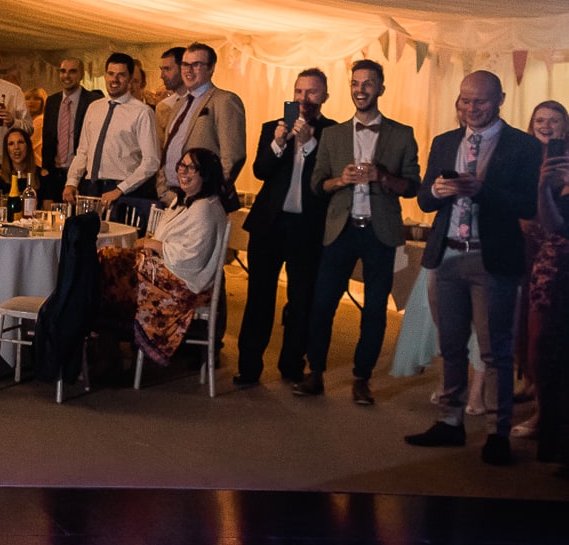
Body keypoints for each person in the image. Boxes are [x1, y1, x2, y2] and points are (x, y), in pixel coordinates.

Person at [404, 71, 544, 465]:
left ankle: (498, 432)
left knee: (494, 350)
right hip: (447, 254)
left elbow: (528, 205)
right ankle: (450, 420)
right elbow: (424, 200)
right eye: (464, 100)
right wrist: (436, 191)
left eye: (479, 101)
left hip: (492, 258)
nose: (470, 108)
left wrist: (483, 190)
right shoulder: (445, 141)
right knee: (450, 345)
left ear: (500, 99)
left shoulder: (523, 146)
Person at [297, 60, 421, 404]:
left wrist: (383, 176)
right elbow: (317, 184)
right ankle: (315, 372)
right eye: (355, 83)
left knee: (375, 309)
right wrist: (341, 180)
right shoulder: (333, 134)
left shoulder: (402, 134)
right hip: (341, 229)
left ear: (381, 88)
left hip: (381, 232)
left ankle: (361, 378)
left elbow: (413, 186)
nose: (360, 89)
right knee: (322, 303)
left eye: (368, 83)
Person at [235, 68, 335, 388]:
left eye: (312, 92)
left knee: (301, 299)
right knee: (259, 295)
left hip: (307, 227)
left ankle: (292, 364)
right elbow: (260, 170)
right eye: (299, 91)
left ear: (325, 96)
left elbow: (326, 180)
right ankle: (249, 366)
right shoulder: (274, 126)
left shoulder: (333, 133)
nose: (304, 98)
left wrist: (307, 144)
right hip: (269, 224)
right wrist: (279, 142)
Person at [95, 147, 232, 367]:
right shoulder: (183, 201)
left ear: (205, 174)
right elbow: (167, 238)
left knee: (106, 263)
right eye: (181, 165)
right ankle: (107, 348)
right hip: (166, 270)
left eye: (191, 168)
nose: (183, 172)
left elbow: (191, 259)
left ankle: (107, 352)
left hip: (183, 284)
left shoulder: (205, 209)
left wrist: (153, 245)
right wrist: (152, 247)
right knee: (105, 264)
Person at [516, 102, 568, 450]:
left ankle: (543, 414)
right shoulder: (523, 156)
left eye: (554, 120)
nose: (546, 126)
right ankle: (532, 386)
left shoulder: (564, 163)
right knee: (524, 328)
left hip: (555, 256)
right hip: (524, 247)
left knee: (546, 338)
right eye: (540, 120)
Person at [63, 53, 161, 227]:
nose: (114, 79)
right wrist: (71, 181)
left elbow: (151, 161)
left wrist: (120, 189)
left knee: (116, 241)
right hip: (90, 187)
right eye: (110, 73)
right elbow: (83, 151)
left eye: (121, 75)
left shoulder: (142, 112)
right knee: (85, 239)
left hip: (122, 190)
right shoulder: (94, 107)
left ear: (129, 78)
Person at [159, 44, 247, 202]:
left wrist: (209, 194)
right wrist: (162, 189)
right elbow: (167, 149)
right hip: (172, 196)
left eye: (196, 65)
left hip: (203, 200)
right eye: (185, 64)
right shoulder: (179, 104)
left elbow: (233, 157)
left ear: (211, 68)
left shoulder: (224, 100)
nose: (189, 70)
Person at [532, 111, 569, 475]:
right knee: (550, 352)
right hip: (560, 271)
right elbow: (555, 224)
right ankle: (555, 442)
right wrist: (545, 188)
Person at [39, 57, 93, 201]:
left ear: (81, 75)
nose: (66, 76)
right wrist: (45, 168)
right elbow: (48, 136)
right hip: (55, 173)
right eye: (63, 71)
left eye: (72, 71)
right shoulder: (52, 101)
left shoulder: (92, 101)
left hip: (82, 174)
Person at [0, 126, 41, 196]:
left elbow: (48, 203)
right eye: (11, 144)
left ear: (28, 146)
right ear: (6, 149)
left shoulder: (41, 175)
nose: (16, 147)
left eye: (20, 142)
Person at [152, 46, 187, 136]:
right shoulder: (164, 108)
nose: (162, 76)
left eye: (167, 69)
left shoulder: (206, 101)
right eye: (162, 69)